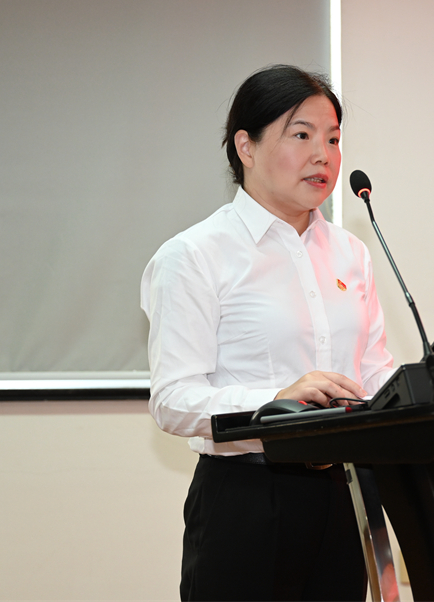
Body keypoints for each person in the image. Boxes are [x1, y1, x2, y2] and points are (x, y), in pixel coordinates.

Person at [141, 65, 396, 601]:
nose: (323, 155)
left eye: (333, 139)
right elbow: (172, 401)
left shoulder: (351, 253)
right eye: (301, 135)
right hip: (247, 498)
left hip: (342, 494)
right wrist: (276, 402)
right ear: (246, 147)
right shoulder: (195, 255)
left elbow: (374, 371)